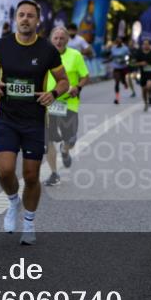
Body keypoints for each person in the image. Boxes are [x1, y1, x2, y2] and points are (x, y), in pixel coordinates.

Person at [0, 0, 69, 245]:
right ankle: (13, 201)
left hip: (34, 121)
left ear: (37, 21)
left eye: (30, 16)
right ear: (15, 19)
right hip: (6, 117)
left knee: (31, 176)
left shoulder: (47, 50)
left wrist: (53, 94)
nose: (25, 19)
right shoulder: (3, 45)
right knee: (5, 170)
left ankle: (29, 223)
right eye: (21, 15)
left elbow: (63, 81)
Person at [43, 26, 89, 187]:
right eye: (55, 38)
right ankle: (54, 174)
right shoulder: (44, 55)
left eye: (62, 38)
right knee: (48, 140)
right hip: (49, 102)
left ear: (67, 40)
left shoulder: (75, 55)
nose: (59, 41)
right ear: (51, 40)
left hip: (69, 103)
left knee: (70, 139)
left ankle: (65, 149)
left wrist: (78, 87)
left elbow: (85, 76)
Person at [131, 38, 151, 111]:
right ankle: (145, 103)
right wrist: (140, 63)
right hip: (143, 74)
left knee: (149, 86)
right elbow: (133, 63)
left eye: (147, 44)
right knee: (144, 90)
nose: (145, 45)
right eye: (144, 44)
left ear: (149, 45)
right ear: (142, 45)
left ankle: (150, 96)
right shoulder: (139, 53)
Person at [109, 37, 133, 104]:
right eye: (117, 41)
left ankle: (125, 83)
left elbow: (129, 56)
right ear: (116, 42)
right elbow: (112, 56)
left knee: (122, 80)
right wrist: (108, 60)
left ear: (121, 42)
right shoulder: (113, 48)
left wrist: (126, 60)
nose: (118, 43)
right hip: (116, 67)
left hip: (123, 67)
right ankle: (117, 98)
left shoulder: (125, 48)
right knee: (117, 82)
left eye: (119, 41)